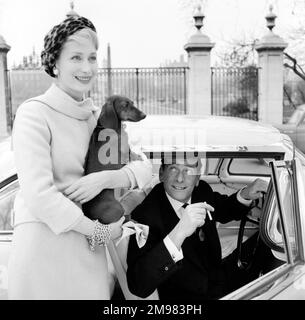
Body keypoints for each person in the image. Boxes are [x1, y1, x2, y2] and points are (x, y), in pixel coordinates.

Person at [8, 16, 152, 300]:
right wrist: (99, 231)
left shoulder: (98, 118)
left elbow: (145, 167)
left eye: (92, 58)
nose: (87, 68)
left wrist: (107, 178)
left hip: (89, 258)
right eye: (76, 57)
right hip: (43, 255)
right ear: (54, 62)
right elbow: (39, 196)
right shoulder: (33, 114)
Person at [126, 154, 269, 300]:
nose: (180, 178)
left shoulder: (201, 191)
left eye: (188, 170)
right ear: (162, 173)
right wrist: (179, 233)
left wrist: (246, 194)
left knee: (268, 239)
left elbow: (222, 209)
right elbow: (138, 284)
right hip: (186, 298)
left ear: (197, 178)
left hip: (218, 280)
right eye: (173, 168)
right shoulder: (144, 215)